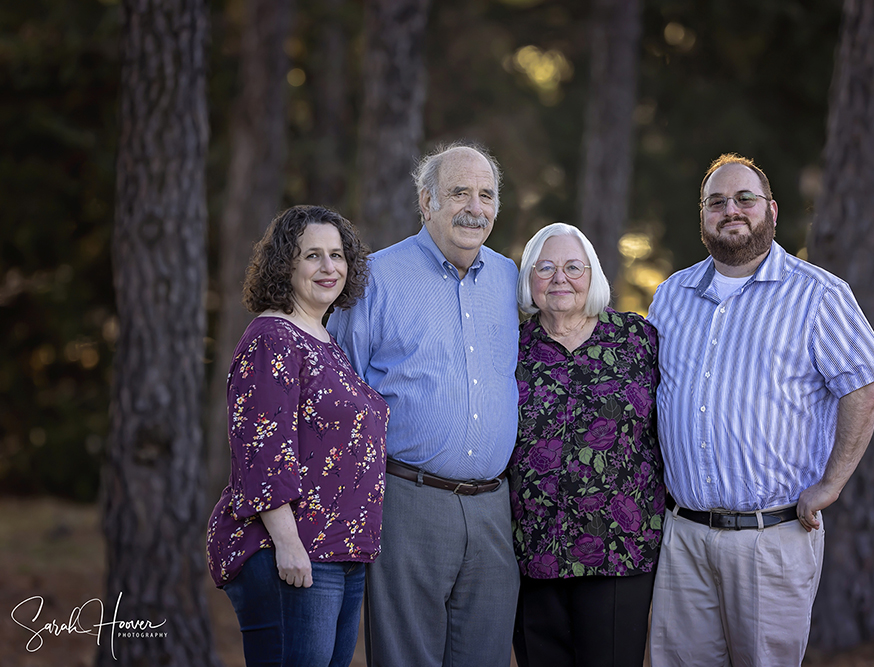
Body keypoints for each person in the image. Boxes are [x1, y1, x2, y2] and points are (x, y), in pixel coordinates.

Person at [645, 154, 874, 666]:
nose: (730, 210)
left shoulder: (818, 294)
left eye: (744, 199)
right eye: (716, 202)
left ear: (772, 211)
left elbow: (864, 385)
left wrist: (832, 484)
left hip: (771, 538)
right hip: (683, 537)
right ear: (703, 217)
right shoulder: (671, 295)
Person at [327, 143, 520, 667]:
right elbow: (340, 398)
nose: (474, 207)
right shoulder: (374, 279)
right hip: (408, 500)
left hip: (493, 509)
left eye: (486, 195)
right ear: (426, 201)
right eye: (459, 192)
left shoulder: (511, 281)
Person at [206, 205, 389, 667]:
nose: (330, 268)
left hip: (342, 551)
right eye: (313, 256)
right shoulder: (273, 337)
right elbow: (261, 450)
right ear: (286, 265)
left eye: (337, 254)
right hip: (294, 553)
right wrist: (289, 546)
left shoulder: (325, 342)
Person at [508, 222, 666, 667]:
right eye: (546, 268)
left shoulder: (637, 340)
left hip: (620, 553)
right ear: (529, 279)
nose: (560, 278)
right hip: (532, 551)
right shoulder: (510, 348)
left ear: (593, 274)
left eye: (573, 267)